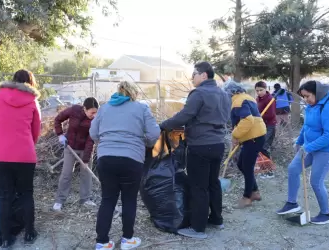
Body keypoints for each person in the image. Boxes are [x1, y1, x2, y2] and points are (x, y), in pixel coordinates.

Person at [160, 62, 231, 239]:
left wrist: (163, 125)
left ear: (204, 75)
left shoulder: (199, 93)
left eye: (194, 74)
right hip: (218, 144)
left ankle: (197, 228)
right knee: (213, 182)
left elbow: (185, 115)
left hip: (200, 145)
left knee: (199, 186)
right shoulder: (224, 94)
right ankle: (216, 218)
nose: (192, 78)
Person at [90, 80, 160, 250]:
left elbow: (93, 133)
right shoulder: (141, 108)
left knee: (107, 199)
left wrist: (106, 141)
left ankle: (102, 242)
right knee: (129, 199)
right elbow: (154, 133)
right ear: (133, 93)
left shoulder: (105, 108)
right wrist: (145, 143)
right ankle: (127, 240)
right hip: (132, 159)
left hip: (106, 159)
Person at [0, 69, 41, 249]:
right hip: (24, 155)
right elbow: (36, 132)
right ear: (30, 82)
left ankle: (6, 238)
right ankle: (29, 233)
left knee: (5, 196)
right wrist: (25, 146)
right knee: (26, 193)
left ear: (13, 79)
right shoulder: (33, 100)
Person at [276, 80, 329, 225]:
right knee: (293, 169)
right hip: (309, 146)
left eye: (308, 96)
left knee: (316, 182)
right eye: (303, 97)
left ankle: (326, 214)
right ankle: (292, 203)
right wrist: (299, 141)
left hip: (327, 150)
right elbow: (307, 126)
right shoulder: (311, 106)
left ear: (317, 93)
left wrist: (308, 147)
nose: (306, 100)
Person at [223, 80, 266, 209]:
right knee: (241, 164)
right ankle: (255, 191)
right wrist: (239, 136)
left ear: (229, 93)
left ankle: (247, 197)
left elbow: (248, 120)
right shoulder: (247, 98)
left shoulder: (237, 102)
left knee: (247, 166)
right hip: (254, 136)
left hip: (254, 137)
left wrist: (235, 135)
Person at [52, 97, 99, 211]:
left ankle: (85, 199)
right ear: (84, 109)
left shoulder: (95, 120)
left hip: (85, 149)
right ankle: (60, 200)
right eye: (92, 112)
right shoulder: (74, 110)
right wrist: (60, 135)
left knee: (86, 174)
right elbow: (58, 120)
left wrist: (86, 160)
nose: (94, 115)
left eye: (96, 113)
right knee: (66, 174)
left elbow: (90, 140)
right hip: (70, 147)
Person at [255, 81, 277, 178]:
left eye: (261, 90)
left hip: (269, 126)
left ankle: (269, 171)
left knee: (263, 146)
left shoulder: (270, 99)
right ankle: (264, 169)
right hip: (260, 126)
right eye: (257, 90)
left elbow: (271, 114)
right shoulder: (258, 99)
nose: (259, 92)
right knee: (259, 147)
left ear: (265, 89)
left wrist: (259, 117)